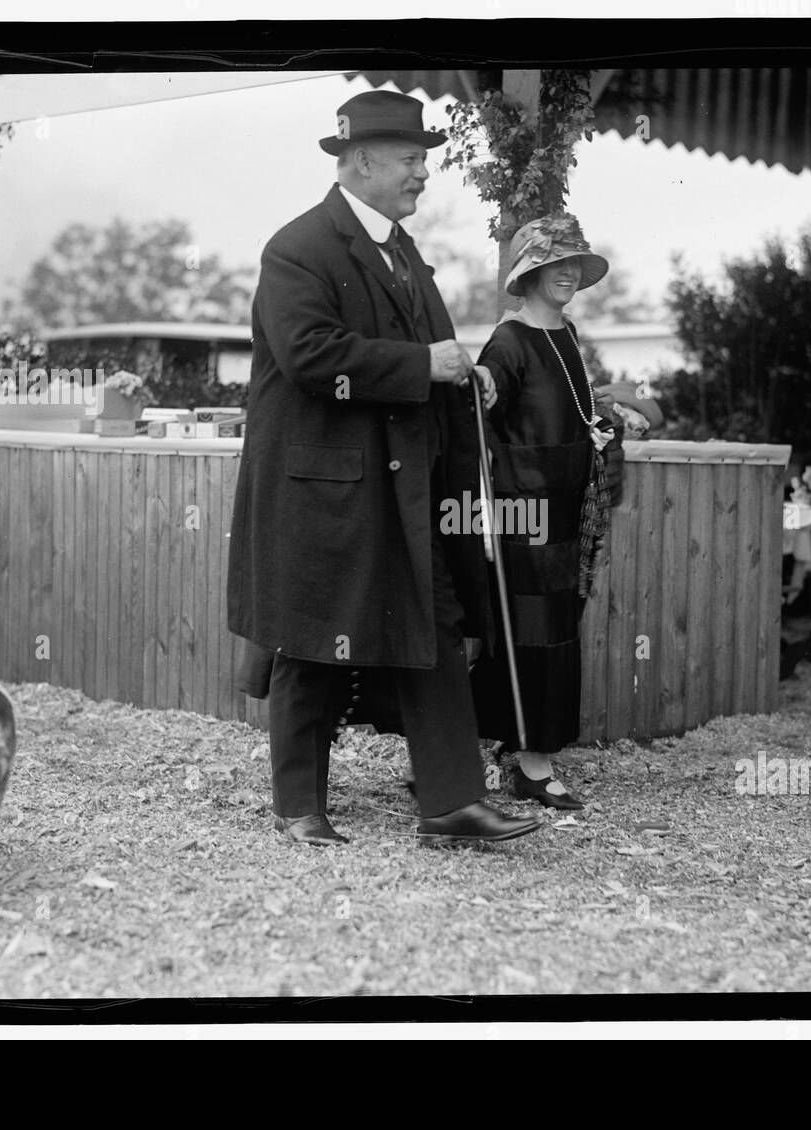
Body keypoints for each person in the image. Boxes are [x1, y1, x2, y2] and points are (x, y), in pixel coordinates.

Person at [227, 90, 541, 848]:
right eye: (409, 160)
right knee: (311, 637)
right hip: (323, 490)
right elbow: (309, 358)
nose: (422, 174)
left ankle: (451, 804)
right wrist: (423, 365)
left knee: (431, 630)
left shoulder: (402, 253)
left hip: (399, 488)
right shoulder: (298, 247)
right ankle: (297, 804)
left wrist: (468, 376)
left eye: (425, 160)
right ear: (360, 162)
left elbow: (427, 359)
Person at [468, 215, 620, 810]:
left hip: (568, 513)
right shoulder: (508, 341)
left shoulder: (568, 335)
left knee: (556, 633)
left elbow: (571, 414)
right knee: (527, 636)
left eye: (574, 265)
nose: (567, 273)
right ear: (530, 271)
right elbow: (482, 408)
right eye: (556, 264)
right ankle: (525, 761)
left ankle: (518, 754)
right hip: (523, 517)